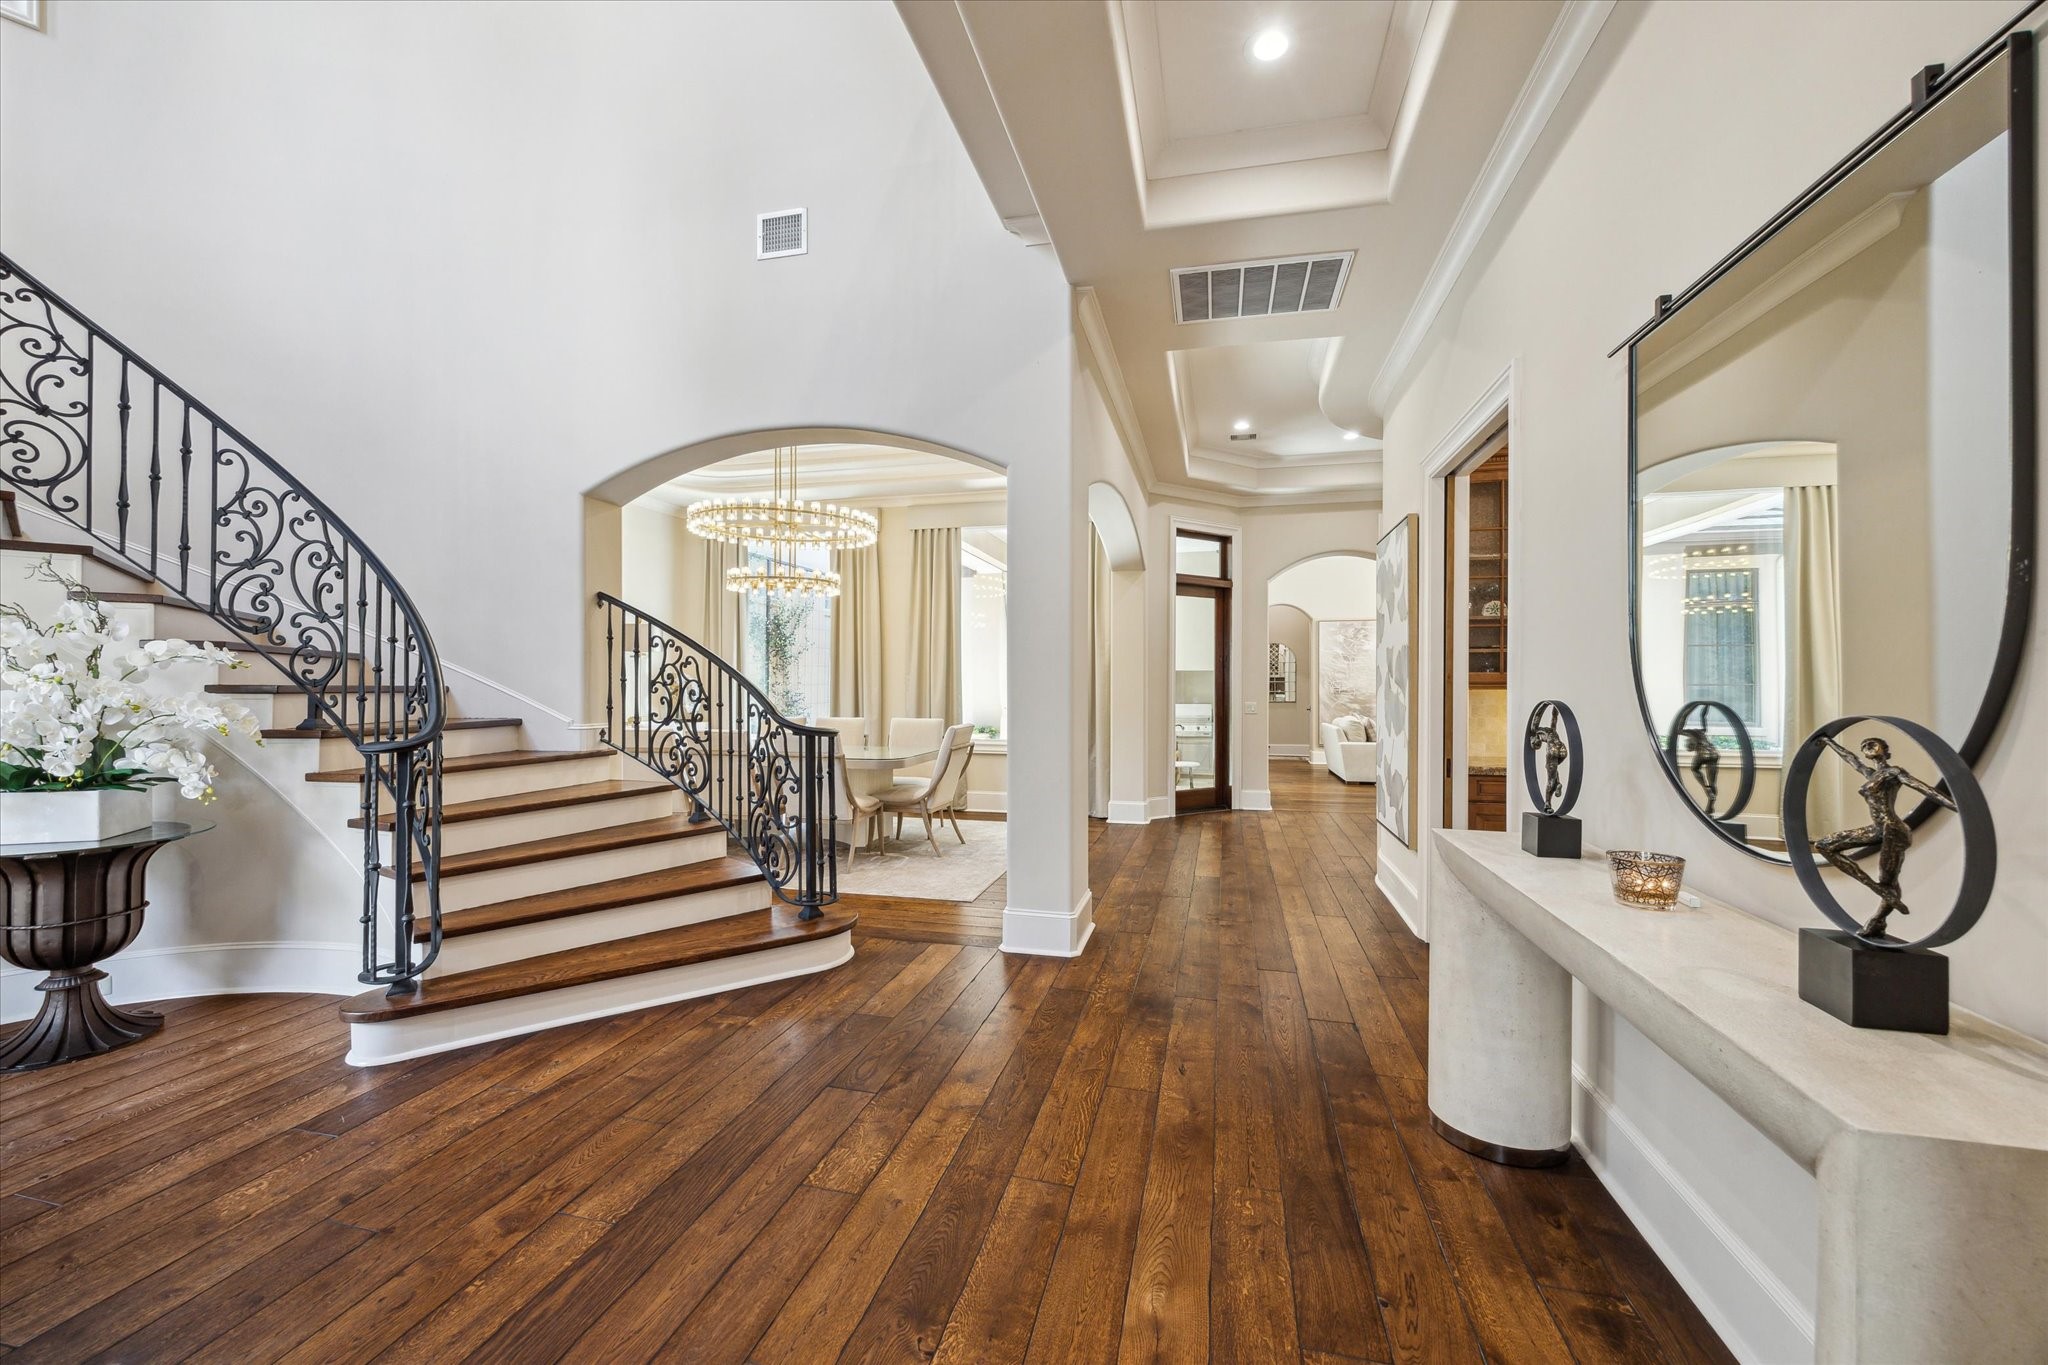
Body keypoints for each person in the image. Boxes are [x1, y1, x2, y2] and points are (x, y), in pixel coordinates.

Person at [1812, 735, 1956, 939]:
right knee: (1824, 845)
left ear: (1885, 750)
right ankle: (1874, 888)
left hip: (1894, 829)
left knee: (1888, 880)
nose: (1867, 746)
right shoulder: (1870, 774)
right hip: (1878, 829)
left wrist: (1957, 806)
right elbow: (1851, 759)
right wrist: (1829, 742)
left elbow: (1925, 789)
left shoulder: (1894, 772)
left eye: (1873, 743)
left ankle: (1877, 920)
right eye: (1864, 745)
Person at [1681, 727, 1720, 816]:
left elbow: (1679, 730)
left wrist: (1684, 718)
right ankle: (1710, 806)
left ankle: (1707, 789)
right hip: (1714, 753)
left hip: (1703, 754)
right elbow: (1704, 724)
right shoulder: (1702, 732)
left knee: (1694, 768)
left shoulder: (1689, 732)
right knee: (1712, 783)